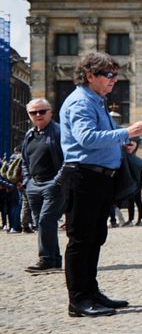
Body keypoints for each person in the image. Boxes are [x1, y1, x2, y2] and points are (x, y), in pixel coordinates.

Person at [59, 52, 142, 317]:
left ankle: (91, 291)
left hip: (98, 178)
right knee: (80, 240)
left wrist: (123, 142)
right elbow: (86, 138)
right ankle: (78, 300)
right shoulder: (80, 102)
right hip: (82, 177)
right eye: (109, 75)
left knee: (95, 238)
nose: (114, 80)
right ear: (90, 76)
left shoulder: (97, 101)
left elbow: (100, 137)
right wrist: (128, 131)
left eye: (115, 74)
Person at [21, 98, 66, 274]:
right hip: (34, 184)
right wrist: (27, 181)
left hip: (53, 183)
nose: (38, 115)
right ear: (29, 115)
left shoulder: (59, 132)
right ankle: (54, 260)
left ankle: (46, 260)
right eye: (34, 112)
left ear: (50, 112)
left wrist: (57, 182)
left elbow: (69, 158)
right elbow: (25, 160)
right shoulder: (30, 134)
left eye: (42, 111)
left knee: (46, 220)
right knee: (42, 223)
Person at [114, 138, 142, 227]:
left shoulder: (132, 158)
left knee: (136, 200)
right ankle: (135, 219)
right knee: (135, 200)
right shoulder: (129, 158)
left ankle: (136, 220)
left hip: (135, 182)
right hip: (133, 182)